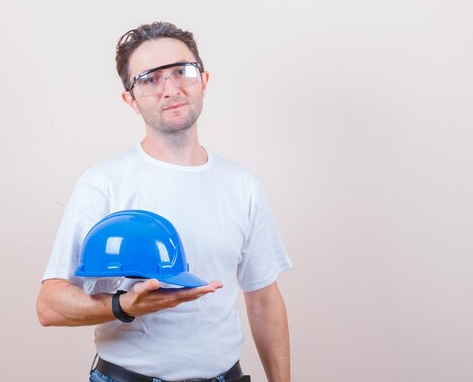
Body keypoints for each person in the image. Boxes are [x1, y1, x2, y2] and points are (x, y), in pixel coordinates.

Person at [37, 21, 292, 382]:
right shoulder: (103, 184)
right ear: (131, 100)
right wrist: (123, 305)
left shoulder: (242, 185)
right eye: (150, 79)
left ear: (203, 81)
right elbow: (49, 305)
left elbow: (264, 300)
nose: (171, 88)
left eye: (181, 72)